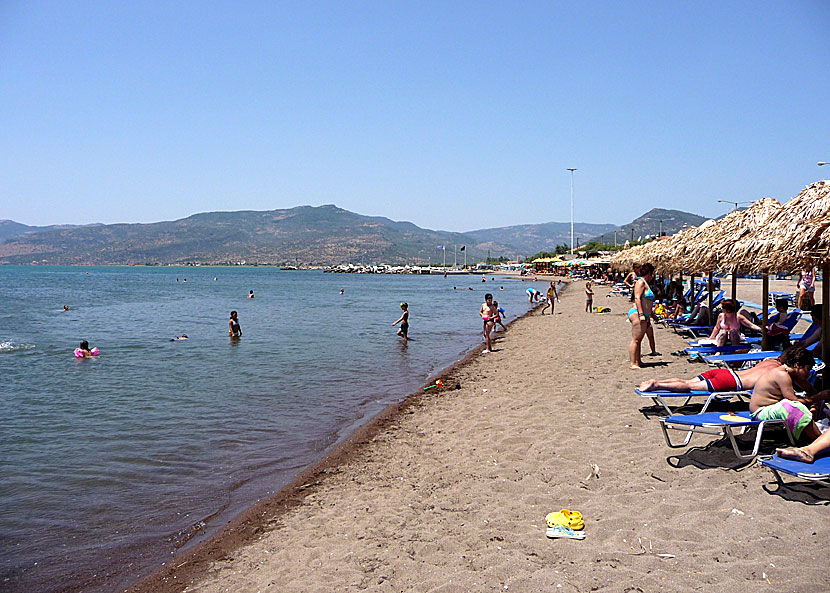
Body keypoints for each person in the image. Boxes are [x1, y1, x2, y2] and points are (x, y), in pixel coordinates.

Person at [749, 346, 828, 442]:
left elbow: (811, 391)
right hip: (760, 412)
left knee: (818, 402)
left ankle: (822, 429)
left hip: (773, 409)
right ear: (798, 365)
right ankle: (819, 439)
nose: (808, 374)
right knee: (792, 407)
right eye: (808, 369)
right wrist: (817, 397)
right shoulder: (782, 375)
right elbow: (793, 401)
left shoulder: (794, 374)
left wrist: (815, 403)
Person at [638, 356, 783, 393]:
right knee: (689, 385)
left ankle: (658, 381)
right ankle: (657, 385)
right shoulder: (779, 372)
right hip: (731, 381)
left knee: (686, 380)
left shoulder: (768, 361)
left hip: (725, 372)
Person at [628, 263, 659, 368]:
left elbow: (647, 303)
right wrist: (641, 314)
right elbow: (637, 298)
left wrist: (653, 316)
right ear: (649, 272)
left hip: (644, 314)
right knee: (635, 339)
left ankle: (638, 361)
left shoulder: (645, 282)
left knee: (639, 339)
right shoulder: (641, 282)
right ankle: (633, 363)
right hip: (638, 313)